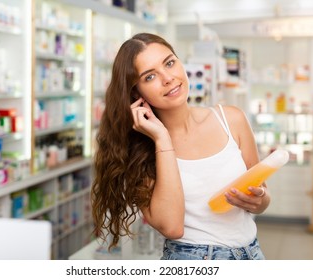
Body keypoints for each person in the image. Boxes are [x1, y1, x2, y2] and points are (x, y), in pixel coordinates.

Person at [91, 32, 270, 260]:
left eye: (169, 63)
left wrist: (260, 200)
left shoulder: (231, 119)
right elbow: (172, 227)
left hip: (252, 254)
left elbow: (262, 195)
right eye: (149, 77)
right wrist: (162, 139)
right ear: (137, 93)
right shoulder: (140, 152)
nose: (168, 78)